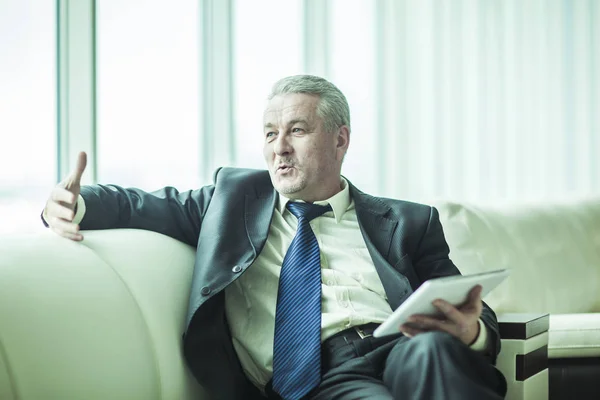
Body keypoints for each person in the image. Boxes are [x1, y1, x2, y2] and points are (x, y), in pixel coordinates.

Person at [42, 75, 507, 400]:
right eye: (270, 133)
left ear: (340, 139)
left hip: (405, 345)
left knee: (432, 350)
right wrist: (71, 203)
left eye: (297, 130)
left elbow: (471, 305)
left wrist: (472, 331)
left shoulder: (410, 221)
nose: (279, 147)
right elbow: (137, 204)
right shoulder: (232, 199)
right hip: (320, 373)